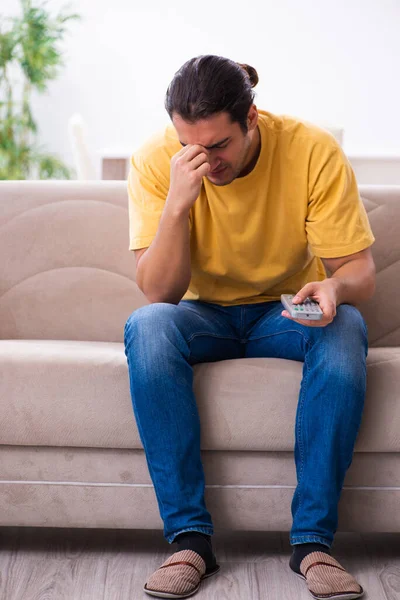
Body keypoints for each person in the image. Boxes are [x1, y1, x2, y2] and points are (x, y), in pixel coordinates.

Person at [123, 54, 376, 600]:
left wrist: (334, 288)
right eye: (191, 146)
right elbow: (159, 293)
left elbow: (359, 272)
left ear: (252, 119)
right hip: (199, 314)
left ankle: (313, 544)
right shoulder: (155, 161)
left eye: (219, 146)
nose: (206, 161)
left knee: (346, 326)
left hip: (282, 311)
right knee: (147, 326)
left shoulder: (311, 150)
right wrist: (176, 208)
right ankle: (190, 541)